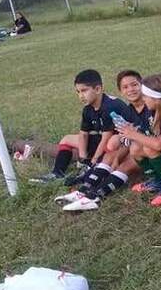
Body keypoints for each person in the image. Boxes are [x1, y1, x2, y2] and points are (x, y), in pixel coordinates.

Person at [57, 70, 148, 211]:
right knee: (111, 156)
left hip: (152, 149)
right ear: (121, 91)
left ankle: (97, 196)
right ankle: (85, 191)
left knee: (126, 158)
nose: (130, 90)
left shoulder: (151, 104)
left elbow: (152, 137)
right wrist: (118, 156)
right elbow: (130, 137)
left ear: (142, 85)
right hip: (138, 145)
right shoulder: (131, 109)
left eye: (134, 85)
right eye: (125, 87)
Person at [30, 69, 133, 185]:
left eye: (84, 91)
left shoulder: (110, 106)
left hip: (121, 145)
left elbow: (106, 138)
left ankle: (96, 168)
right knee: (66, 139)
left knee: (112, 142)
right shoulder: (88, 108)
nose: (81, 96)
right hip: (103, 141)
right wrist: (83, 158)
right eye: (78, 92)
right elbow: (83, 134)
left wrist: (93, 160)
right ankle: (57, 173)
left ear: (98, 89)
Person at [113, 74, 161, 207]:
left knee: (150, 147)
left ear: (155, 98)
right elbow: (145, 134)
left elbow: (159, 145)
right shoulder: (152, 112)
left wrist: (134, 134)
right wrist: (130, 133)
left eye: (145, 96)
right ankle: (157, 181)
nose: (143, 99)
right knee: (135, 148)